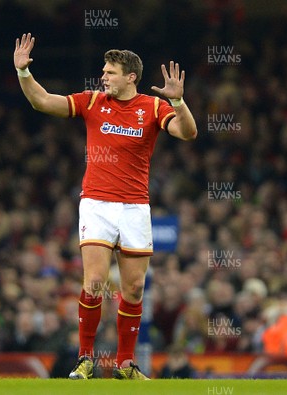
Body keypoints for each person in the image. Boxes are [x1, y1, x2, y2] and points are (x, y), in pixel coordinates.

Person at [14, 33, 197, 380]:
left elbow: (188, 133)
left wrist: (180, 102)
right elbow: (43, 102)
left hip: (135, 208)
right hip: (97, 202)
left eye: (110, 72)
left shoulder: (154, 107)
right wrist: (24, 73)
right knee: (95, 281)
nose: (103, 77)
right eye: (103, 71)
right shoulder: (92, 102)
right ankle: (85, 358)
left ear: (130, 77)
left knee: (134, 289)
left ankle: (125, 365)